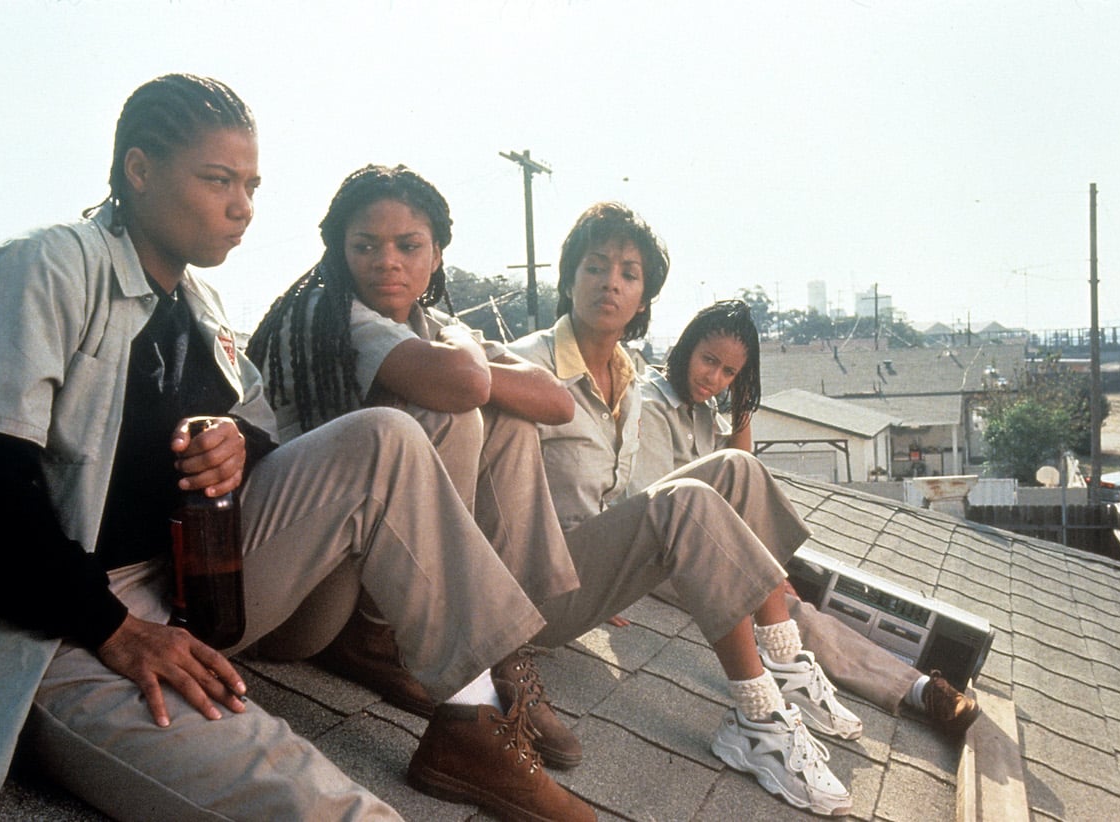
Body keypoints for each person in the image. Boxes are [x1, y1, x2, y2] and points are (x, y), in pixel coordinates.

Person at [0, 74, 595, 822]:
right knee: (340, 813)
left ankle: (473, 714)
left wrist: (237, 442)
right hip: (58, 629)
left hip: (194, 586)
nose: (243, 208)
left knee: (383, 438)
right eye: (219, 181)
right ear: (139, 170)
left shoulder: (200, 308)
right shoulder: (47, 267)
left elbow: (263, 429)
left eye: (252, 185)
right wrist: (117, 630)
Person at [508, 203, 853, 817]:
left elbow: (613, 502)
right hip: (529, 591)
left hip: (587, 577)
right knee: (689, 501)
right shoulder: (525, 363)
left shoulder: (627, 376)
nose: (610, 281)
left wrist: (615, 566)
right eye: (595, 266)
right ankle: (756, 721)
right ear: (569, 278)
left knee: (737, 468)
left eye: (629, 273)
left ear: (643, 300)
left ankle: (787, 659)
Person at [246, 163, 583, 767]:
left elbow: (557, 401)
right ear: (339, 251)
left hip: (357, 577)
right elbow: (462, 384)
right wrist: (471, 356)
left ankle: (503, 648)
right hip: (296, 597)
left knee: (509, 419)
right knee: (456, 413)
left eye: (409, 246)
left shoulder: (434, 327)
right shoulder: (332, 312)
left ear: (436, 254)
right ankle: (387, 636)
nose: (387, 261)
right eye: (365, 245)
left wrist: (467, 349)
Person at [628, 300, 982, 738]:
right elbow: (654, 509)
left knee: (819, 588)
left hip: (706, 544)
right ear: (685, 347)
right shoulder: (647, 402)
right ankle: (918, 689)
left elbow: (739, 474)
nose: (713, 379)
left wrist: (742, 404)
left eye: (730, 374)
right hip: (659, 554)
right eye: (709, 361)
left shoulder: (700, 410)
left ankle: (906, 668)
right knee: (793, 609)